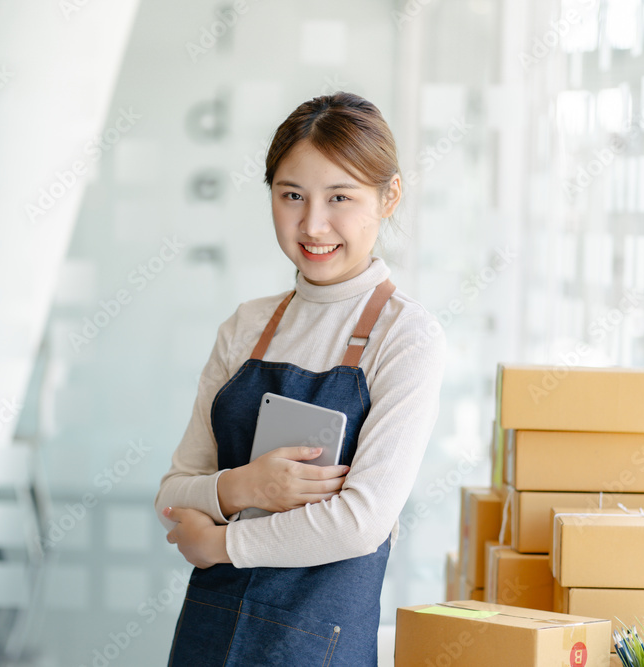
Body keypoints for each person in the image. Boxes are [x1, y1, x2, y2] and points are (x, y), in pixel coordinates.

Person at [153, 91, 447, 666]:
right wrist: (242, 489)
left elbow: (360, 522)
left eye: (341, 197)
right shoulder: (247, 326)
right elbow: (173, 490)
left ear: (390, 196)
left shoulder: (406, 337)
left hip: (316, 650)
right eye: (292, 196)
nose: (313, 225)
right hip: (207, 641)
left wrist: (219, 541)